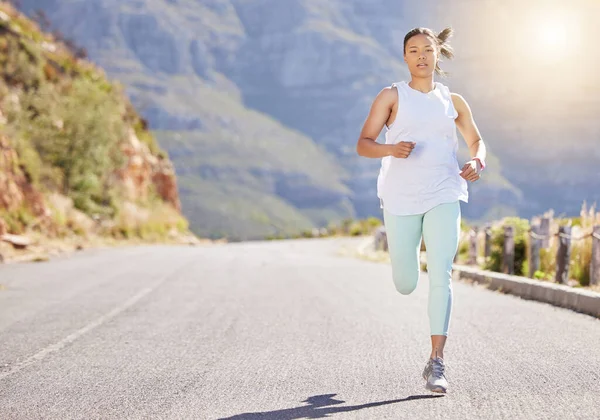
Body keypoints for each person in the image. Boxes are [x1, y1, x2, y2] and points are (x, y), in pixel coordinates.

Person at [355, 26, 487, 394]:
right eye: (413, 50)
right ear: (405, 57)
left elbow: (476, 141)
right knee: (406, 282)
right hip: (400, 196)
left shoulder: (453, 101)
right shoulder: (391, 96)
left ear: (437, 54)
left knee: (441, 272)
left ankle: (436, 362)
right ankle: (406, 256)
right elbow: (363, 144)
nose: (421, 56)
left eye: (427, 49)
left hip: (444, 189)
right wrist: (389, 150)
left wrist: (477, 161)